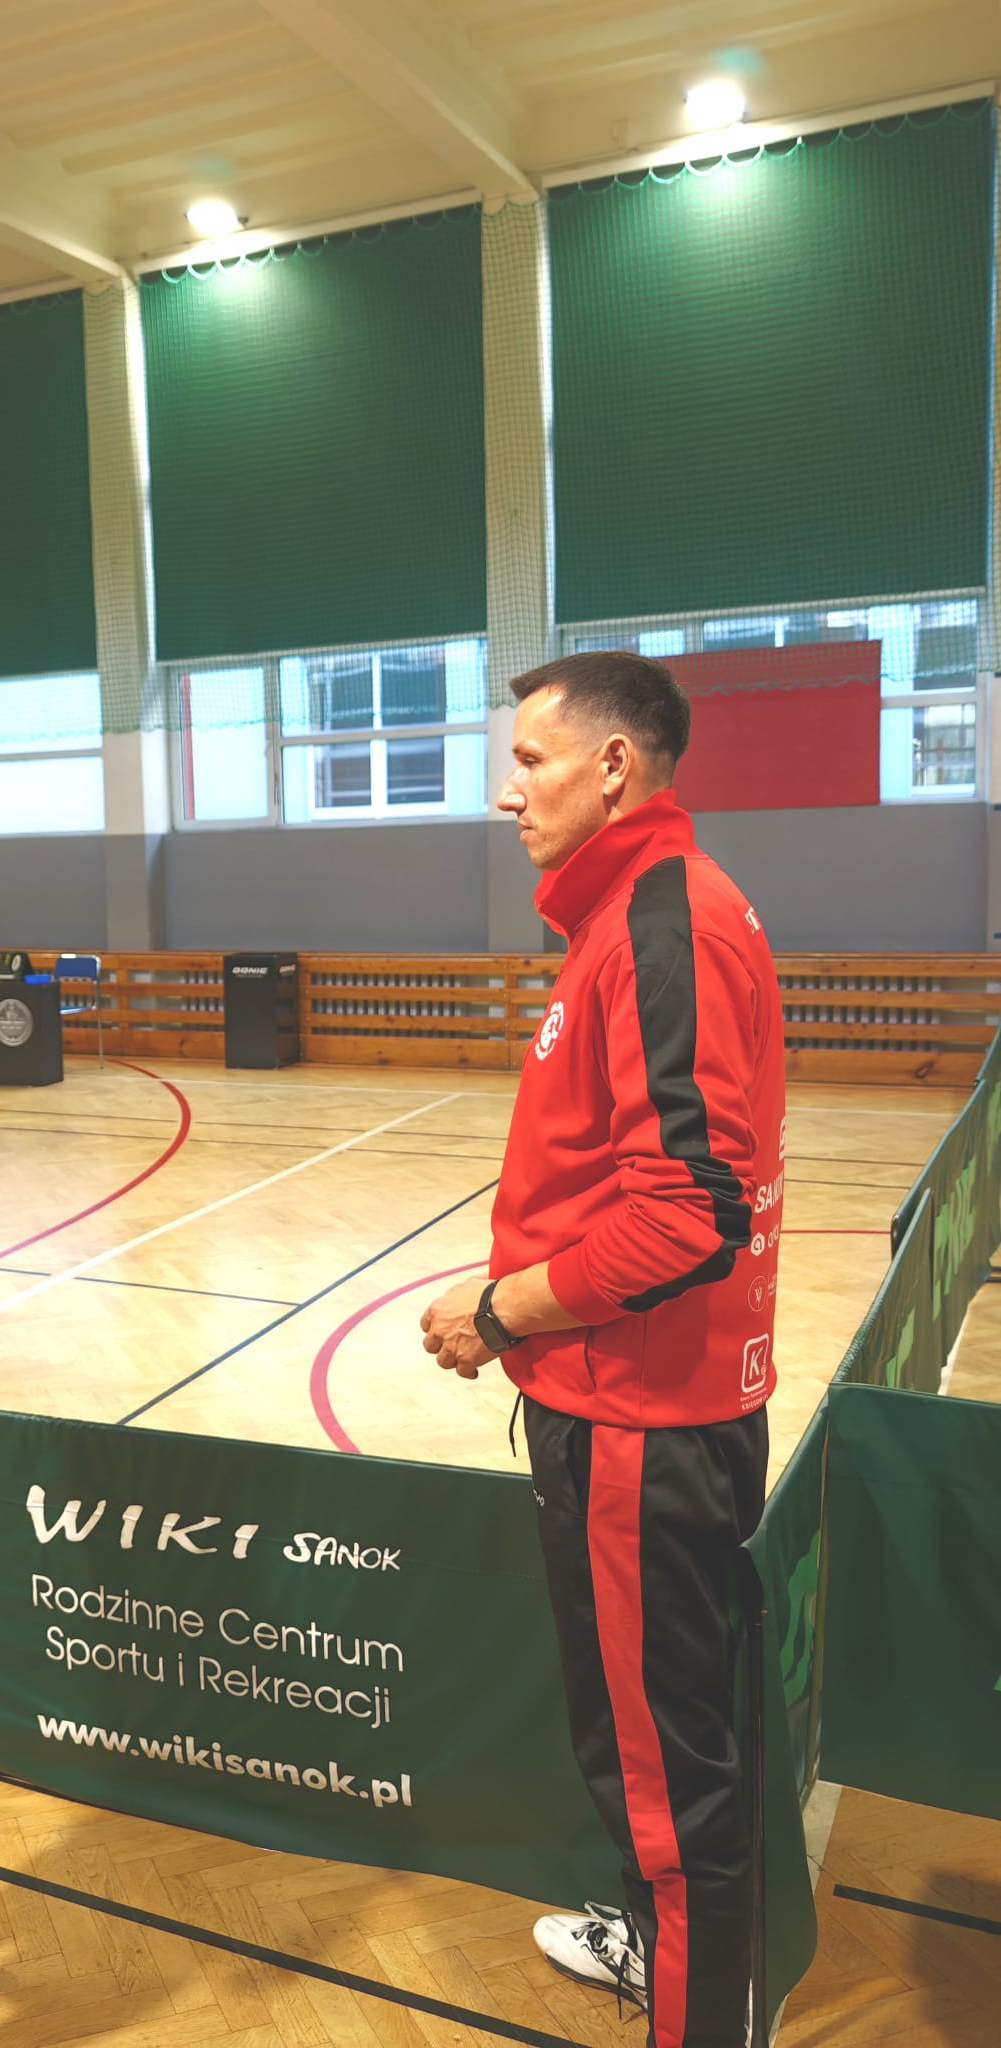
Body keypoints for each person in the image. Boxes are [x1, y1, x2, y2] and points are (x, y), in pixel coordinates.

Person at [421, 652, 785, 2048]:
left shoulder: (661, 922)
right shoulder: (635, 914)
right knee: (649, 1756)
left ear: (615, 765)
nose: (506, 790)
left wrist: (501, 1310)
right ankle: (662, 1945)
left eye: (530, 759)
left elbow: (687, 1212)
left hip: (641, 1429)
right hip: (633, 1407)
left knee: (669, 1793)